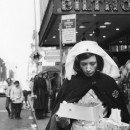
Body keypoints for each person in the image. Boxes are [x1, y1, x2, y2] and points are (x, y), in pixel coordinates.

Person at [45, 41, 130, 130]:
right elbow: (59, 117)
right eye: (84, 64)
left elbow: (120, 111)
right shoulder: (71, 82)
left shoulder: (107, 82)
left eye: (92, 64)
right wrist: (61, 118)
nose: (88, 68)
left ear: (98, 62)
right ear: (78, 64)